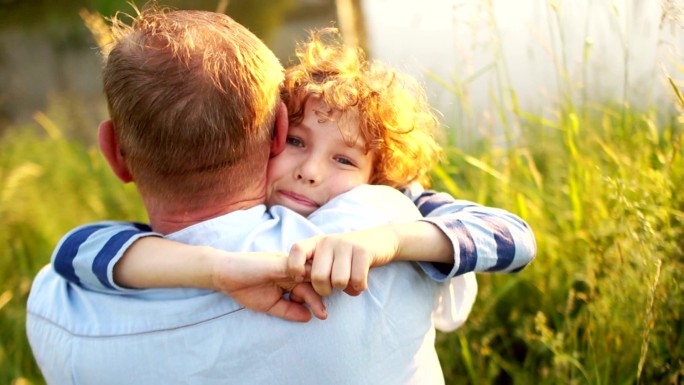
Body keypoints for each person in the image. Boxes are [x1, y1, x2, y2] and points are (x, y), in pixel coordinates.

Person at [26, 6, 535, 385]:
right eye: (297, 143)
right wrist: (218, 271)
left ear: (113, 153)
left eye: (344, 159)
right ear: (276, 135)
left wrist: (391, 241)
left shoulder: (55, 304)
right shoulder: (376, 212)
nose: (311, 171)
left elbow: (516, 238)